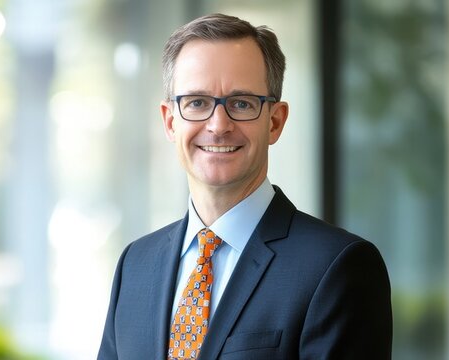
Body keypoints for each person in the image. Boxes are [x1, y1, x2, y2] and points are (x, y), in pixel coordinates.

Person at [97, 13, 392, 360]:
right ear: (170, 121)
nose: (218, 125)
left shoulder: (337, 267)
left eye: (241, 104)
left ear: (275, 121)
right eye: (196, 102)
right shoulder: (135, 265)